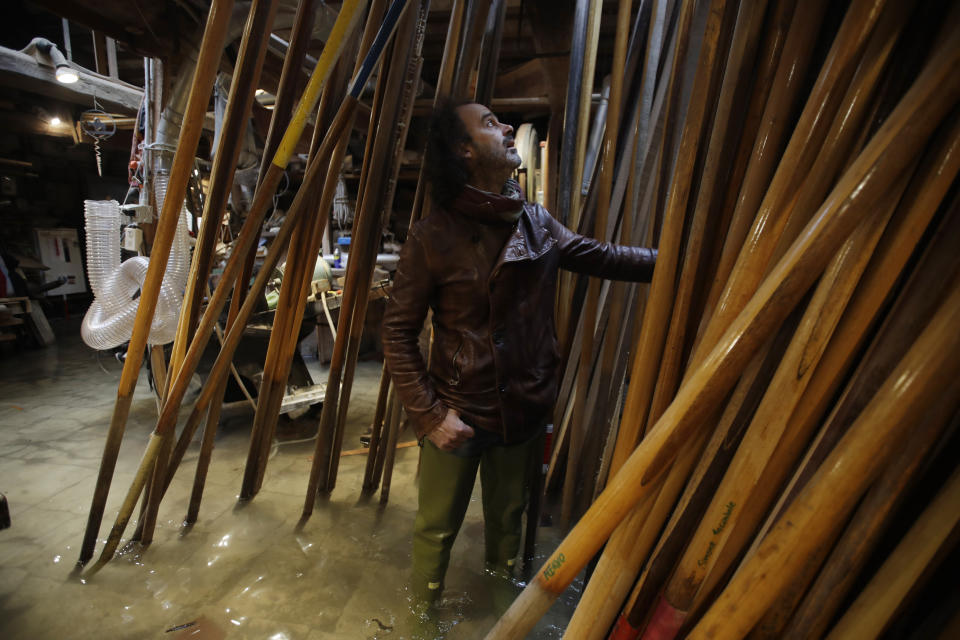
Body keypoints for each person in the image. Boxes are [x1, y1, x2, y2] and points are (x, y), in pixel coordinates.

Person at [381, 99, 657, 605]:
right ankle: (421, 621)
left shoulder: (534, 220)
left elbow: (603, 256)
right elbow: (396, 334)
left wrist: (673, 260)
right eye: (490, 123)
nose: (507, 127)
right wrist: (430, 414)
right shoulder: (432, 236)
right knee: (437, 529)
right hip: (460, 409)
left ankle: (499, 614)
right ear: (465, 150)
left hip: (524, 407)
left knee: (509, 525)